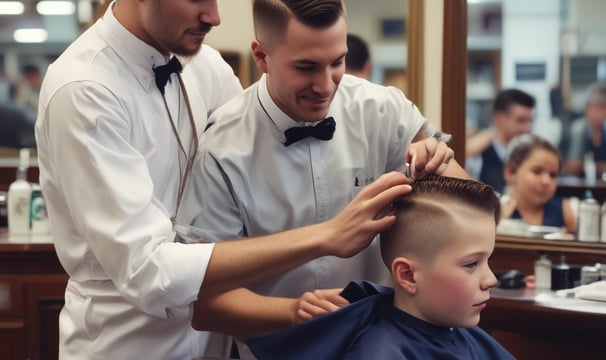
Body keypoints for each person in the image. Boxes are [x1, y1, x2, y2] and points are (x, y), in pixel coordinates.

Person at [34, 1, 413, 359]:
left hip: (219, 345)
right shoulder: (83, 90)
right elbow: (146, 270)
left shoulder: (207, 67)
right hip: (125, 343)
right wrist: (326, 236)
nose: (214, 17)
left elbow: (253, 179)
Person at [179, 0, 468, 357]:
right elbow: (205, 305)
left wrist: (443, 167)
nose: (325, 85)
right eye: (306, 67)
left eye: (337, 62)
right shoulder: (220, 152)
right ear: (261, 56)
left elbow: (475, 217)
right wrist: (293, 311)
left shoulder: (384, 110)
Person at [246, 175, 514, 360]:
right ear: (408, 275)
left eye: (487, 260)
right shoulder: (379, 351)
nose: (490, 279)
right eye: (471, 264)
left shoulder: (467, 335)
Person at [500, 134, 577, 233]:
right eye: (537, 172)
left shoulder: (564, 210)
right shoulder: (496, 212)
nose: (546, 181)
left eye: (553, 175)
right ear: (511, 172)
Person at [466, 88, 536, 193]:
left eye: (530, 121)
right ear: (499, 117)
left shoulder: (532, 153)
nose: (527, 128)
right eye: (520, 120)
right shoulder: (477, 154)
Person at [565, 83, 606, 177]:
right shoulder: (579, 129)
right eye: (595, 108)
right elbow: (573, 167)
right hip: (577, 185)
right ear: (587, 109)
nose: (598, 114)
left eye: (603, 108)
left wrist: (589, 165)